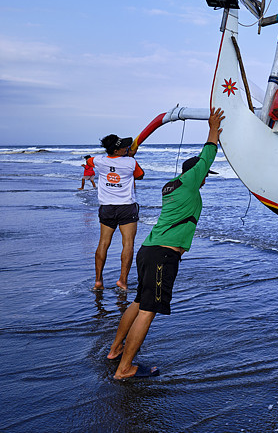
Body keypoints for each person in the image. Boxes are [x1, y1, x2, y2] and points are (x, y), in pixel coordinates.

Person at [106, 108, 224, 379]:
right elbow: (208, 153)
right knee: (148, 310)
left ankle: (115, 351)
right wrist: (214, 128)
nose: (206, 178)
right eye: (204, 174)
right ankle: (124, 368)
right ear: (195, 173)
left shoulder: (172, 185)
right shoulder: (191, 181)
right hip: (162, 256)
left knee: (138, 302)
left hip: (148, 250)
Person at [89, 134, 145, 290]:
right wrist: (129, 157)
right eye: (124, 147)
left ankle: (98, 281)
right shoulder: (131, 162)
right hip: (126, 207)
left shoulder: (99, 161)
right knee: (128, 244)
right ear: (117, 149)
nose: (127, 148)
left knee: (103, 243)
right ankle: (123, 281)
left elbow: (89, 161)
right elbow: (140, 176)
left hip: (107, 207)